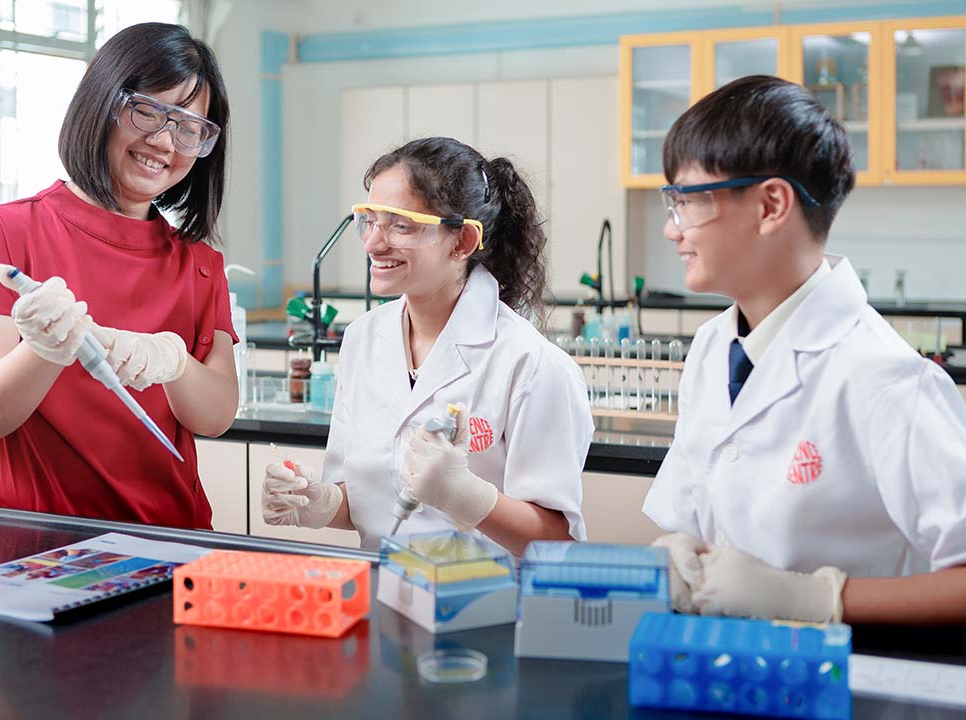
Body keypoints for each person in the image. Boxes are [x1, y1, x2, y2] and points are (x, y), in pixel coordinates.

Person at [644, 75, 966, 625]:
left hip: (846, 683)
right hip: (725, 668)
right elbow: (692, 519)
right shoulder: (711, 349)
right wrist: (675, 551)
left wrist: (820, 600)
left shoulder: (884, 377)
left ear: (771, 205)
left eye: (687, 200)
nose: (673, 231)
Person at [0, 23, 237, 529]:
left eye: (189, 128)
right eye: (148, 110)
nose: (164, 141)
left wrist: (174, 361)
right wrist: (44, 350)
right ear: (100, 104)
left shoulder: (199, 263)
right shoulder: (5, 234)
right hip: (32, 547)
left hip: (171, 543)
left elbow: (216, 416)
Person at [263, 137, 593, 553]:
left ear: (462, 242)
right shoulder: (363, 338)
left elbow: (560, 541)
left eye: (401, 225)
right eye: (370, 220)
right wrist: (323, 503)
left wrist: (468, 497)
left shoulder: (532, 365)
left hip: (486, 605)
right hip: (379, 597)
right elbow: (367, 500)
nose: (373, 243)